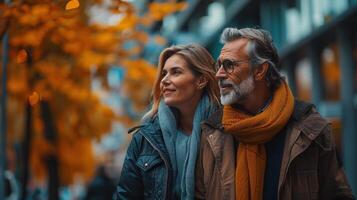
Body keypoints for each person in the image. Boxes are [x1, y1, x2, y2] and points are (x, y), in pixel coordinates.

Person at [195, 27, 355, 200]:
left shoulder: (310, 127)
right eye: (219, 65)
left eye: (229, 65)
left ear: (259, 70)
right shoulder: (212, 132)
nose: (219, 74)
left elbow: (338, 195)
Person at [114, 44, 220, 199]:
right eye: (164, 73)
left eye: (176, 72)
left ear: (201, 81)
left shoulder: (225, 130)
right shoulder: (144, 139)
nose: (164, 80)